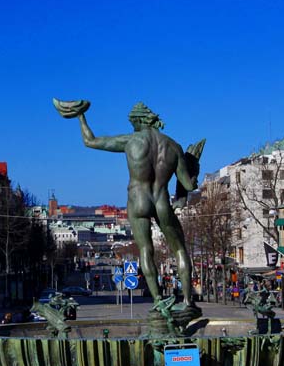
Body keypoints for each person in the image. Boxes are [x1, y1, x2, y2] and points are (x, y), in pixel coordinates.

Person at [63, 100, 204, 307]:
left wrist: (80, 116)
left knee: (146, 250)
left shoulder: (131, 140)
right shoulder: (174, 146)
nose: (132, 127)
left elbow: (90, 141)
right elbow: (188, 185)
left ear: (138, 121)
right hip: (162, 200)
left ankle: (157, 300)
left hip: (138, 200)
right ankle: (188, 300)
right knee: (180, 249)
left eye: (133, 123)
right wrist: (193, 167)